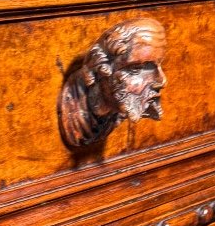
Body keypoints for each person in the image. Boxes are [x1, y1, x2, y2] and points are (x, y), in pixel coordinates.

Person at [59, 17, 167, 148]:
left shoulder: (118, 107)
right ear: (101, 69)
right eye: (136, 69)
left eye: (159, 65)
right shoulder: (75, 108)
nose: (161, 81)